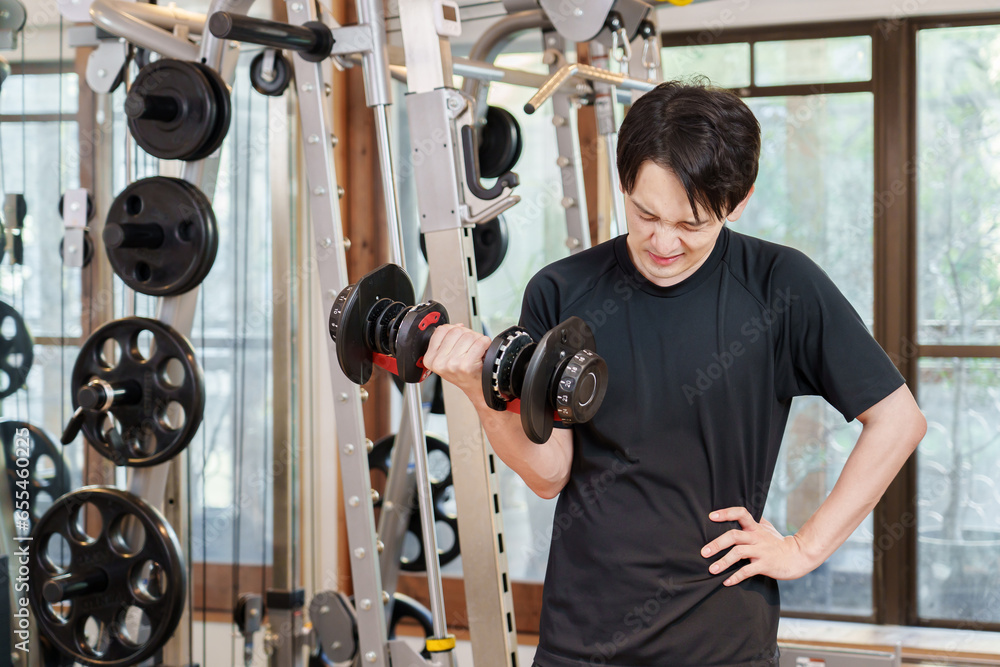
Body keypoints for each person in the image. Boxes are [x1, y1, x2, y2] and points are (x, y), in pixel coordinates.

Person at [422, 80, 926, 667]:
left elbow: (898, 421)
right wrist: (480, 393)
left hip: (721, 643)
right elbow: (549, 474)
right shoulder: (561, 289)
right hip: (583, 638)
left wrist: (803, 548)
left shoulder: (780, 286)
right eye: (645, 214)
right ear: (624, 182)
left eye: (692, 224)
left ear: (739, 202)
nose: (663, 242)